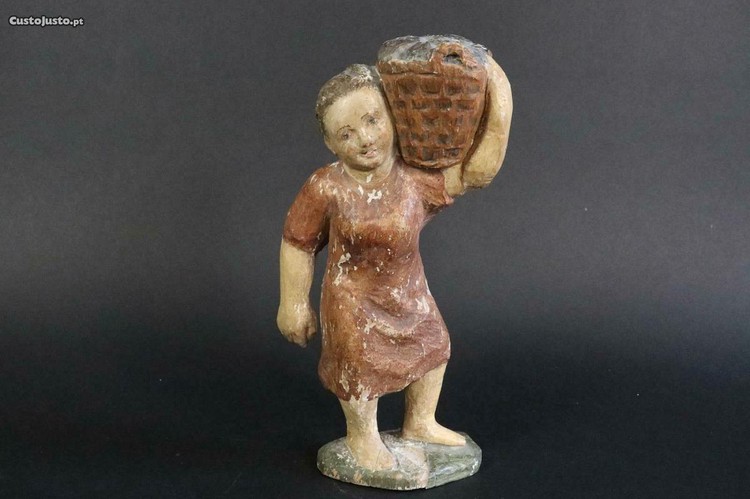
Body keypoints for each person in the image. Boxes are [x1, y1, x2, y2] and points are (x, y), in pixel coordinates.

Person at [277, 58, 512, 470]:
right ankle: (361, 437)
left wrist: (500, 105)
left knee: (434, 346)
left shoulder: (413, 179)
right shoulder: (326, 187)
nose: (364, 139)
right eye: (346, 133)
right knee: (357, 366)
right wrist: (293, 303)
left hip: (408, 293)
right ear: (330, 143)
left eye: (372, 120)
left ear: (392, 116)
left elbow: (475, 173)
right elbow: (297, 243)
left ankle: (420, 422)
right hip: (351, 301)